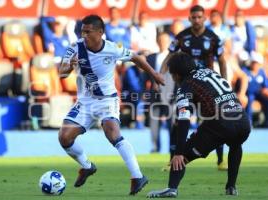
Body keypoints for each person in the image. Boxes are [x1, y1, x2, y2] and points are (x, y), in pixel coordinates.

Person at [58, 15, 164, 195]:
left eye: (88, 31)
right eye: (82, 31)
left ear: (100, 33)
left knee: (111, 131)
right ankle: (87, 166)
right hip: (84, 102)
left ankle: (137, 176)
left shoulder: (113, 49)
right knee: (64, 138)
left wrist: (154, 75)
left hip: (107, 99)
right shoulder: (75, 48)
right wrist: (69, 67)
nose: (84, 34)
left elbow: (137, 58)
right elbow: (61, 72)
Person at [147, 52, 251, 198]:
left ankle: (171, 188)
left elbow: (184, 120)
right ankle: (231, 187)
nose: (173, 78)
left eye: (172, 74)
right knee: (235, 144)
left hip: (221, 123)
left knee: (183, 155)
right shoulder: (208, 71)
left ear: (177, 74)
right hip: (243, 122)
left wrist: (178, 152)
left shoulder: (187, 86)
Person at [160, 5, 227, 170]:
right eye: (193, 17)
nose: (196, 20)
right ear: (189, 18)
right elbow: (169, 56)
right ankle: (172, 160)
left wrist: (224, 81)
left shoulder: (213, 38)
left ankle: (220, 161)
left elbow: (223, 60)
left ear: (204, 18)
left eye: (199, 17)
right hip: (186, 85)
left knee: (216, 120)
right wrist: (160, 75)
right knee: (178, 122)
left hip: (207, 86)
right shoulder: (182, 37)